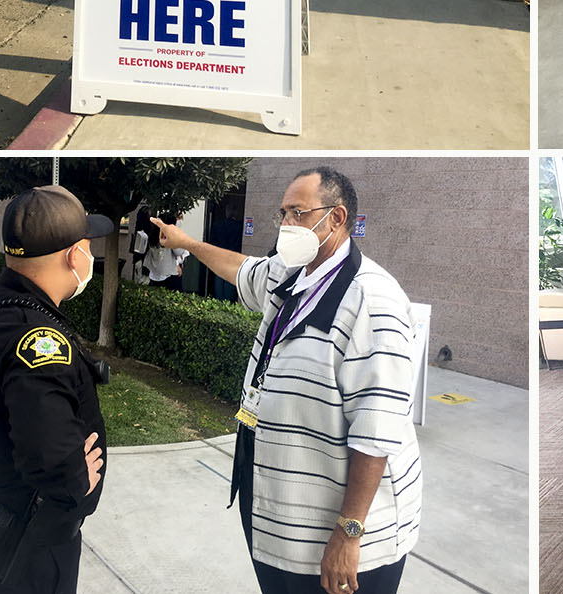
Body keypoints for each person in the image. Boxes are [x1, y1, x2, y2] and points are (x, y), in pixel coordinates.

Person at [151, 166, 421, 594]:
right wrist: (186, 242)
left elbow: (377, 431)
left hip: (343, 542)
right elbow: (241, 268)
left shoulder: (373, 301)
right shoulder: (292, 273)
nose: (286, 225)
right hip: (280, 516)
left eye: (297, 212)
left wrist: (349, 534)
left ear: (336, 217)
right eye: (283, 213)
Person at [0, 186, 113, 594]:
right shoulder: (38, 342)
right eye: (87, 246)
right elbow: (52, 460)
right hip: (26, 554)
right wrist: (75, 477)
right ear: (76, 256)